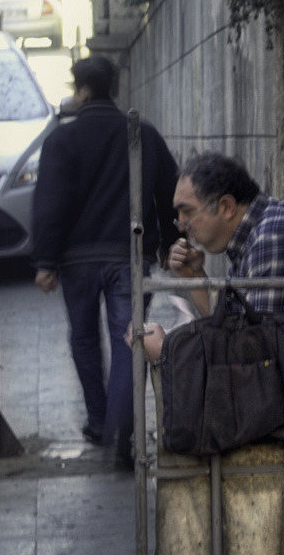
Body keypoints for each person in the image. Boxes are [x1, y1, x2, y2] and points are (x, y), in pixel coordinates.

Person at [30, 55, 178, 464]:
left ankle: (100, 421)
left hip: (76, 261)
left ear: (82, 91)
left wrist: (46, 260)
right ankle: (121, 433)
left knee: (83, 338)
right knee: (129, 340)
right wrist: (170, 240)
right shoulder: (142, 134)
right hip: (128, 256)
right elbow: (170, 190)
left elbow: (49, 203)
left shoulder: (61, 140)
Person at [139, 152, 284, 368]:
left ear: (226, 207)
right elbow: (233, 324)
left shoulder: (273, 237)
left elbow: (253, 352)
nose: (181, 224)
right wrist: (193, 276)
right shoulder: (255, 233)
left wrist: (168, 350)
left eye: (187, 212)